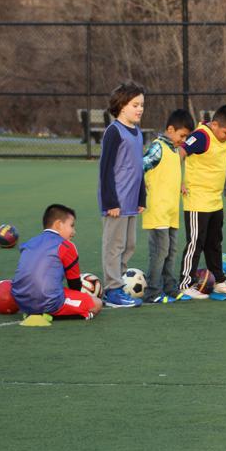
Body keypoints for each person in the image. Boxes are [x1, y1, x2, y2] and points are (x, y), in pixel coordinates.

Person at [174, 105, 226, 299]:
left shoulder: (222, 139)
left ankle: (220, 281)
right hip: (197, 201)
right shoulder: (202, 136)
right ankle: (185, 283)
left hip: (214, 201)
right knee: (195, 243)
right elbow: (180, 152)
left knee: (215, 243)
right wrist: (178, 179)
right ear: (214, 125)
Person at [11, 204, 102, 327]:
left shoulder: (29, 242)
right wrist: (84, 295)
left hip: (20, 300)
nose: (74, 232)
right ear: (59, 224)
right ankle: (48, 313)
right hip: (49, 301)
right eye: (72, 226)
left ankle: (34, 309)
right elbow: (74, 284)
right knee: (96, 304)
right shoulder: (66, 246)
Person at [98, 81, 146, 308]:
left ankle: (120, 284)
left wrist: (141, 197)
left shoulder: (137, 132)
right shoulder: (113, 132)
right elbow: (105, 169)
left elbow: (138, 167)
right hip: (116, 202)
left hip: (130, 202)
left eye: (141, 105)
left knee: (129, 245)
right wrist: (110, 201)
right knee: (114, 245)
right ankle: (112, 289)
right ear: (121, 106)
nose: (140, 109)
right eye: (135, 104)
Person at [141, 108, 194, 303]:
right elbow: (141, 165)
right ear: (170, 129)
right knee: (159, 251)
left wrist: (178, 183)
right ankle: (152, 291)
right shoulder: (158, 147)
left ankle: (170, 287)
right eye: (182, 135)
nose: (184, 140)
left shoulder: (174, 149)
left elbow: (168, 171)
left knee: (171, 250)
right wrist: (142, 182)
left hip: (171, 211)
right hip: (157, 210)